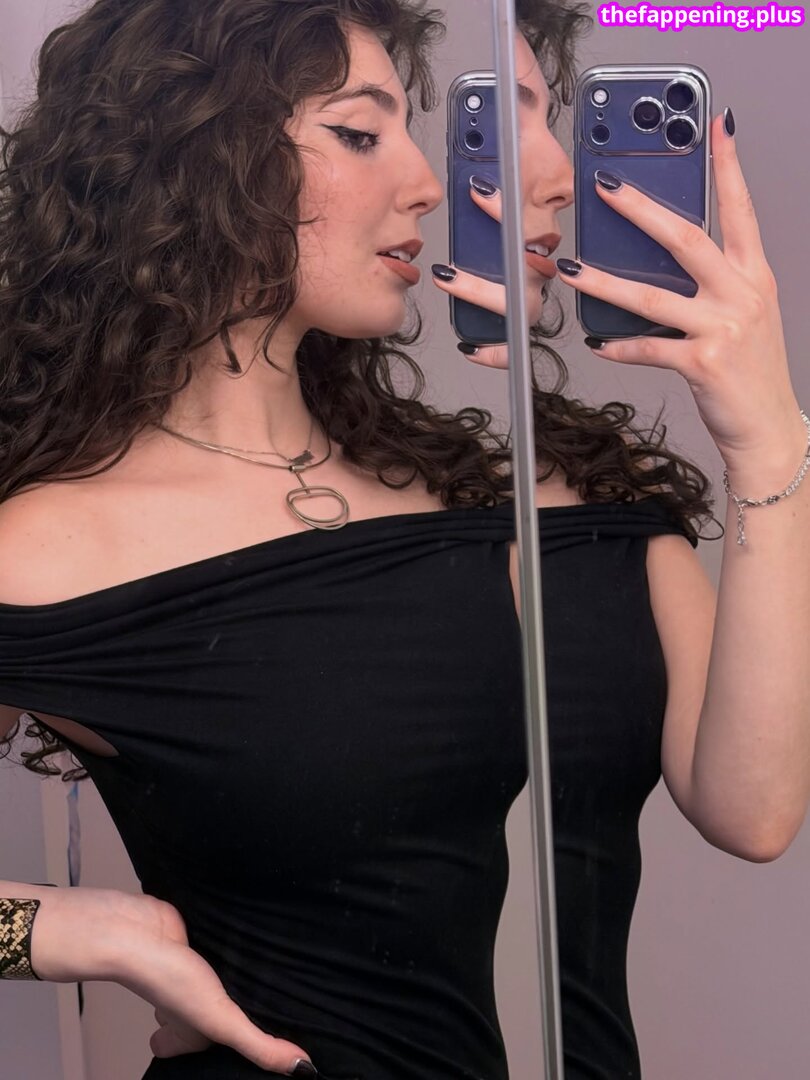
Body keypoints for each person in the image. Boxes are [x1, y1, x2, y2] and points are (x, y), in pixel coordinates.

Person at [1, 0, 808, 1077]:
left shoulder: (567, 498)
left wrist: (769, 442)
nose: (426, 183)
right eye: (358, 132)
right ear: (190, 159)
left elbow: (755, 809)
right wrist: (69, 932)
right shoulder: (53, 546)